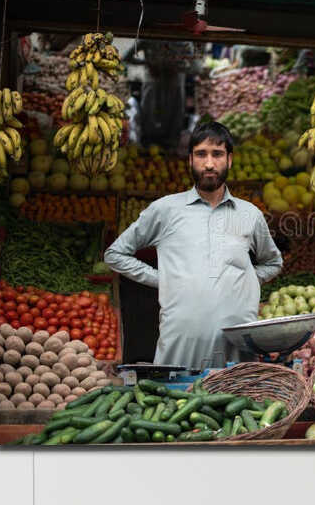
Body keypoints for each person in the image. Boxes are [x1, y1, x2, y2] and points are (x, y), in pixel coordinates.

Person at [103, 120, 282, 369]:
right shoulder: (165, 210)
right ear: (190, 160)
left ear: (230, 160)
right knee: (175, 404)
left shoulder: (250, 214)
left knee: (238, 404)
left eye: (217, 154)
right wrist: (161, 278)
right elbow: (115, 254)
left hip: (237, 352)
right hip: (179, 349)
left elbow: (273, 262)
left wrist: (246, 280)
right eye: (201, 154)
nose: (209, 163)